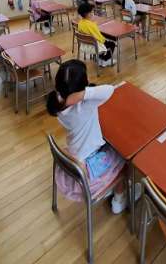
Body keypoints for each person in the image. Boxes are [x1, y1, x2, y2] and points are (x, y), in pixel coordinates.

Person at [46, 60, 132, 213]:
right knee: (124, 157)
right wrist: (83, 95)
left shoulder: (58, 106)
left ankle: (113, 189)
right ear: (81, 87)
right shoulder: (84, 105)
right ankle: (119, 201)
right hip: (89, 167)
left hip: (75, 157)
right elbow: (109, 90)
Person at [77, 2, 116, 67]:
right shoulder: (91, 25)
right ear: (87, 14)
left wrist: (94, 24)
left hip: (85, 45)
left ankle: (100, 59)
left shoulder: (80, 23)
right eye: (91, 12)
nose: (92, 13)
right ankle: (105, 60)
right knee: (111, 44)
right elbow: (99, 38)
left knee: (106, 40)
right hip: (95, 46)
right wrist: (105, 40)